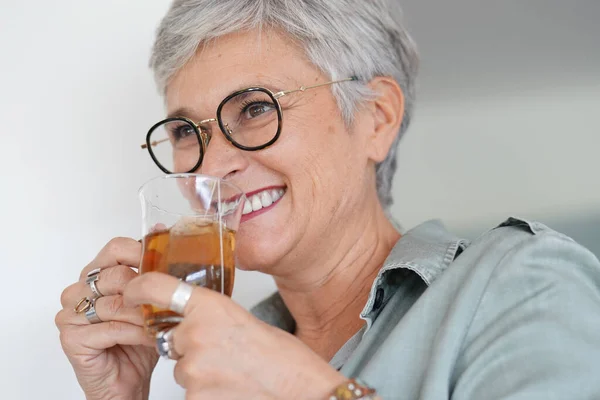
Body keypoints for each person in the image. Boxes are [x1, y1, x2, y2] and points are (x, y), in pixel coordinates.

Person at [55, 1, 600, 399]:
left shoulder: (521, 279)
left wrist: (308, 390)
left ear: (375, 118)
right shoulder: (219, 356)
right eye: (184, 132)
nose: (211, 165)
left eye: (253, 109)